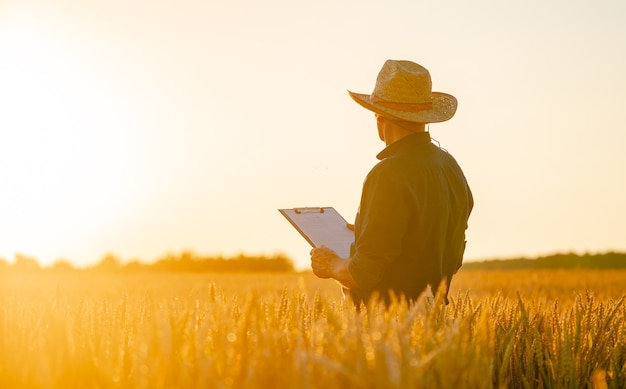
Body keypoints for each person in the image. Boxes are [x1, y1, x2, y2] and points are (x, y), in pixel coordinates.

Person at [310, 60, 473, 305]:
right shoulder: (450, 167)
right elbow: (447, 253)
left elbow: (361, 274)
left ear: (380, 116)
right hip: (434, 324)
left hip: (385, 328)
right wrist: (370, 232)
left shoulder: (387, 174)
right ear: (425, 117)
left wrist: (330, 263)